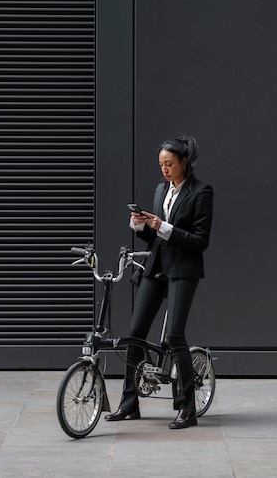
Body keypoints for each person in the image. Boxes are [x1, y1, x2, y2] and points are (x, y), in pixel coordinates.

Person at [105, 135, 213, 429]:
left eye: (169, 164)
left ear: (184, 163)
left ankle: (187, 408)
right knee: (134, 334)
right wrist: (141, 227)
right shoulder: (160, 190)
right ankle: (129, 403)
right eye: (161, 164)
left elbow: (201, 241)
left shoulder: (201, 192)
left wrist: (164, 226)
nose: (164, 169)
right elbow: (156, 239)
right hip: (157, 267)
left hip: (183, 270)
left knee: (175, 336)